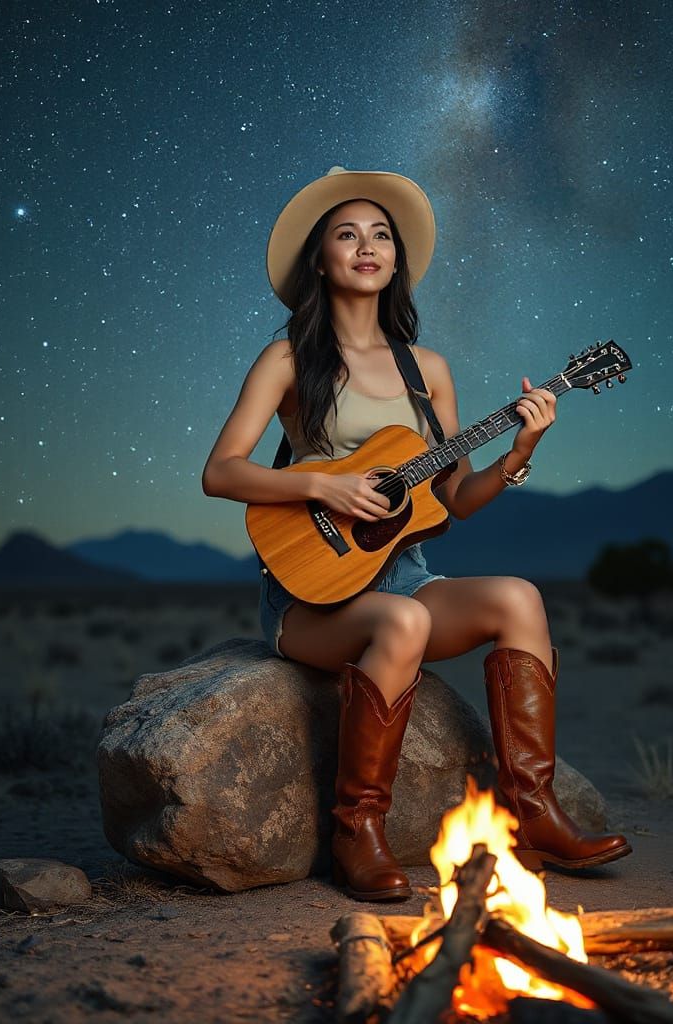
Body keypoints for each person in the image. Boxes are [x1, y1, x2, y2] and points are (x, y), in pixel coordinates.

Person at [202, 166, 631, 902]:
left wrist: (520, 452)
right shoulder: (286, 359)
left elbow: (454, 497)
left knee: (518, 598)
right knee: (399, 620)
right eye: (347, 234)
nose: (366, 246)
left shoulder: (426, 369)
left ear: (396, 259)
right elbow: (222, 472)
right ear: (321, 259)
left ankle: (535, 811)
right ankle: (356, 831)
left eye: (380, 235)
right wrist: (322, 482)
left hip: (404, 577)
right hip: (312, 596)